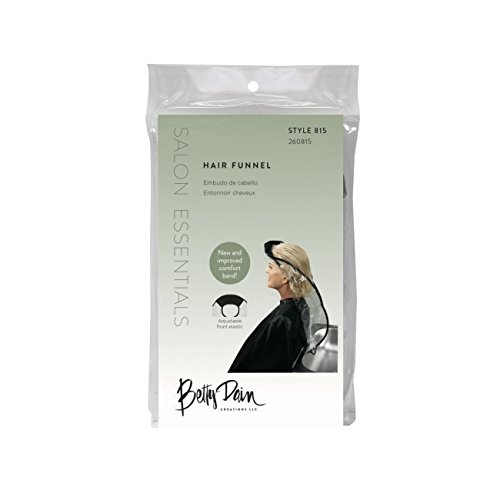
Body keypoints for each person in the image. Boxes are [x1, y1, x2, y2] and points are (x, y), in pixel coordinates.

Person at [228, 242, 312, 372]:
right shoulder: (299, 307)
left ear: (285, 277)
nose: (266, 270)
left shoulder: (283, 320)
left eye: (270, 267)